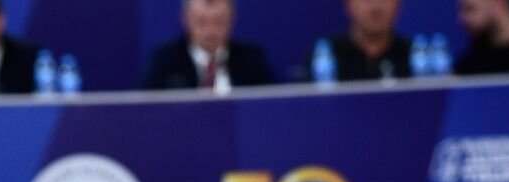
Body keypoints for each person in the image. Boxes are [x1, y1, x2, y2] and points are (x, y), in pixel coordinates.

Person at [142, 0, 273, 91]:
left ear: (232, 19)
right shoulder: (165, 62)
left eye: (219, 21)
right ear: (186, 19)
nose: (211, 31)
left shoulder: (251, 60)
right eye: (201, 22)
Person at [305, 0, 413, 82]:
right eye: (367, 0)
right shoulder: (326, 57)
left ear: (398, 4)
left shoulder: (414, 56)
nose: (375, 8)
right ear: (348, 5)